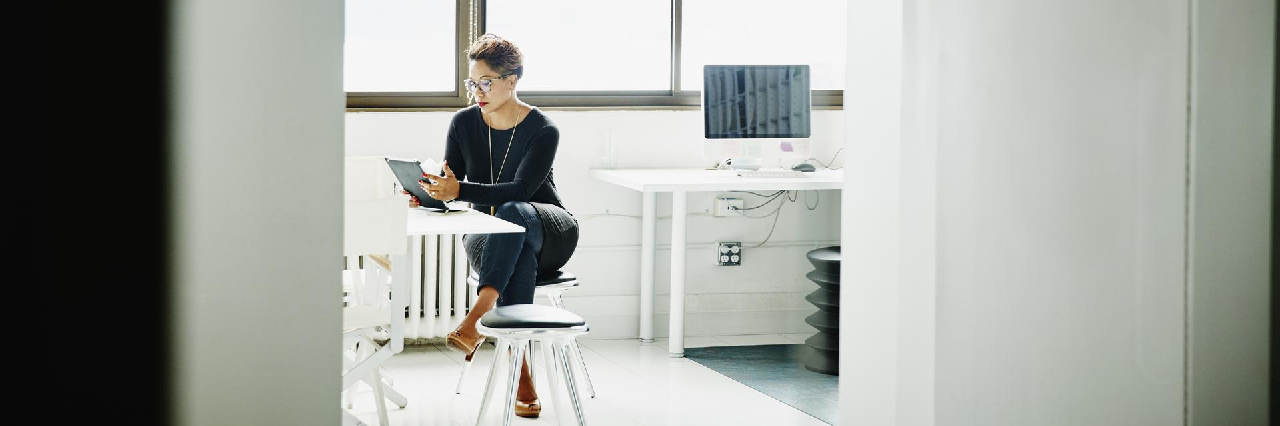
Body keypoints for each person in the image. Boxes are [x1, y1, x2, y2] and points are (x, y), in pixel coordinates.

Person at [407, 34, 578, 419]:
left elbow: (522, 189)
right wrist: (430, 193)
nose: (477, 92)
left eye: (486, 82)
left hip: (548, 230)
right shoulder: (463, 123)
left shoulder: (543, 129)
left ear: (512, 80)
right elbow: (454, 185)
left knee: (515, 212)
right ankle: (521, 374)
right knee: (511, 247)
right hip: (491, 236)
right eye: (473, 83)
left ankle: (477, 317)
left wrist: (458, 189)